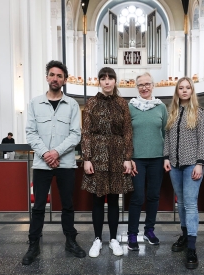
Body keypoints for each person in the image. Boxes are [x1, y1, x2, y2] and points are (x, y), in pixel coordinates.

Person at [22, 60, 86, 265]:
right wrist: (46, 154)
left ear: (65, 80)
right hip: (42, 164)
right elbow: (31, 133)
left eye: (59, 76)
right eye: (52, 74)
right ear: (47, 77)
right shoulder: (34, 103)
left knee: (67, 205)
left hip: (66, 164)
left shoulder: (72, 104)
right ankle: (33, 245)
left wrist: (56, 152)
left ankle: (70, 241)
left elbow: (76, 134)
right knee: (39, 206)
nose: (55, 78)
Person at [81, 67, 133, 258]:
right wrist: (87, 158)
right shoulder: (92, 103)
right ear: (99, 82)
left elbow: (127, 131)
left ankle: (113, 239)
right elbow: (86, 132)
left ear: (115, 81)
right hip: (97, 154)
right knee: (97, 199)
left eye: (110, 78)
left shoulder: (122, 103)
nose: (107, 81)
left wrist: (127, 157)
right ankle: (96, 239)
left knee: (113, 199)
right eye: (103, 78)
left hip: (118, 155)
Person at [163, 77, 204, 269]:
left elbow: (203, 140)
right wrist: (166, 157)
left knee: (190, 204)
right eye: (180, 88)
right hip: (174, 164)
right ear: (177, 91)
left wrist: (200, 163)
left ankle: (191, 247)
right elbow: (167, 137)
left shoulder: (199, 113)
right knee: (180, 203)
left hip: (192, 165)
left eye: (187, 88)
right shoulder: (171, 112)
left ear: (192, 91)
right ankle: (184, 235)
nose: (184, 91)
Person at [127, 72, 167, 251]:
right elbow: (126, 135)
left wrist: (166, 157)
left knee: (153, 196)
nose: (144, 87)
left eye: (147, 84)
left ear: (153, 86)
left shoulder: (161, 107)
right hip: (137, 160)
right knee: (137, 197)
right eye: (141, 85)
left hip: (157, 159)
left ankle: (149, 230)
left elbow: (166, 134)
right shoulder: (131, 107)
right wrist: (127, 158)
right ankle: (132, 234)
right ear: (137, 87)